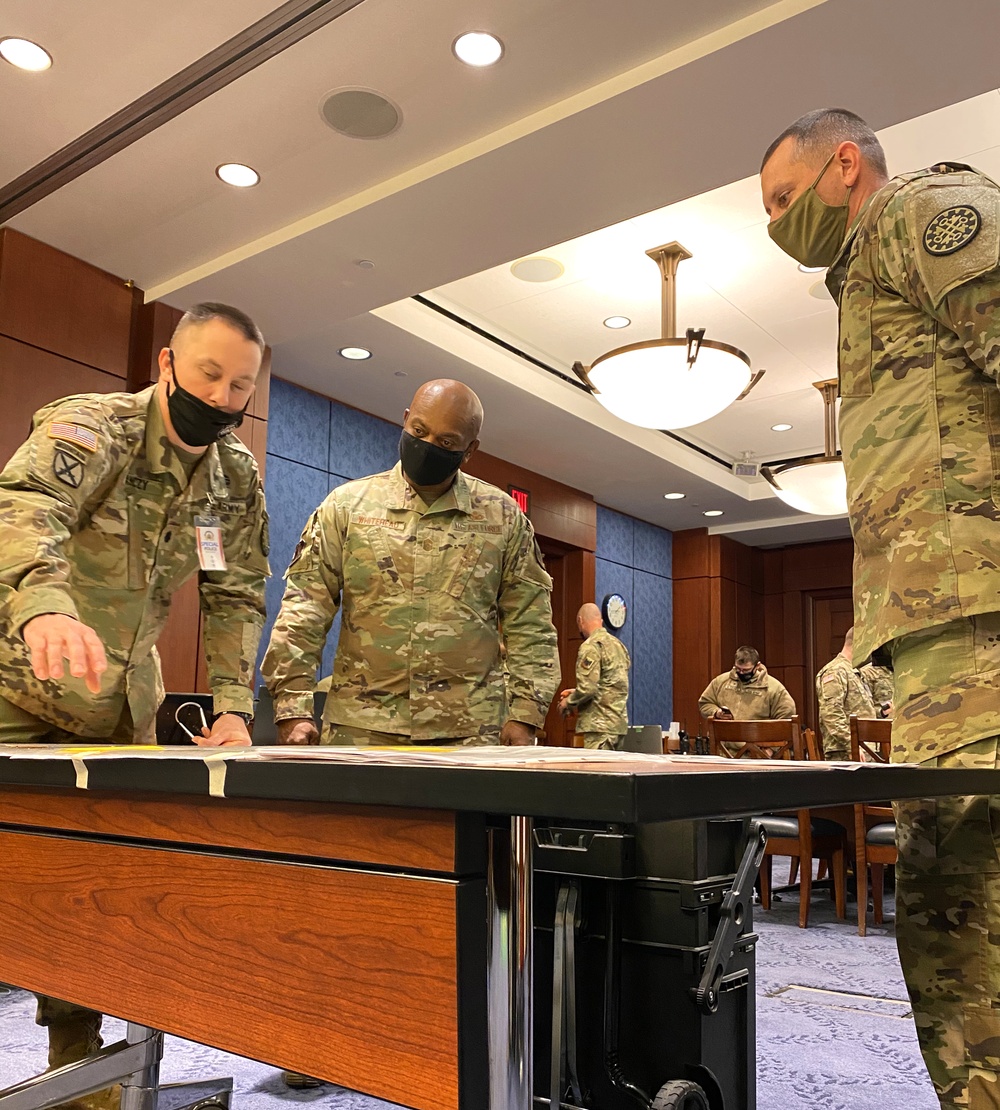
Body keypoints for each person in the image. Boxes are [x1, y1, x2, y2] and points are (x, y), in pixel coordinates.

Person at [761, 106, 1000, 1109]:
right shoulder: (859, 281)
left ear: (842, 166)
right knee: (959, 922)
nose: (774, 223)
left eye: (781, 199)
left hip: (976, 624)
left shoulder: (918, 212)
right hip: (939, 633)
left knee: (955, 926)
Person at [0, 302, 270, 1106]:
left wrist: (232, 706)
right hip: (17, 676)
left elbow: (236, 592)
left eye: (241, 385)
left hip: (120, 703)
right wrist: (44, 603)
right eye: (210, 374)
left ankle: (77, 1061)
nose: (223, 398)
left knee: (94, 878)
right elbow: (22, 507)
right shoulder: (96, 429)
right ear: (165, 364)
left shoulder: (232, 478)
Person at [261, 378, 559, 749]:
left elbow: (530, 623)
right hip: (362, 729)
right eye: (419, 431)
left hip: (471, 734)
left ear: (469, 450)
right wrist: (292, 707)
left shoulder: (502, 518)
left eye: (447, 442)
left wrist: (525, 714)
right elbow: (305, 608)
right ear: (405, 420)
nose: (428, 446)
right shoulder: (347, 507)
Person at [558, 602, 630, 749]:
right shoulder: (619, 646)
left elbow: (588, 689)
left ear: (580, 620)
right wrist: (576, 692)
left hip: (599, 726)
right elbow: (610, 684)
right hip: (618, 726)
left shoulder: (590, 646)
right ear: (601, 621)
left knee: (599, 771)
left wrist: (568, 702)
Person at [815, 627, 877, 760]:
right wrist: (851, 746)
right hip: (845, 754)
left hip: (864, 750)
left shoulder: (854, 671)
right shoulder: (835, 671)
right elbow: (831, 714)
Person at [698, 646, 795, 722]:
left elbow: (786, 717)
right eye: (738, 669)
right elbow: (705, 703)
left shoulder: (773, 687)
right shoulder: (720, 681)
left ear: (757, 666)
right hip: (723, 746)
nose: (741, 673)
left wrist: (772, 747)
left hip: (758, 746)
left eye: (746, 670)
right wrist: (716, 712)